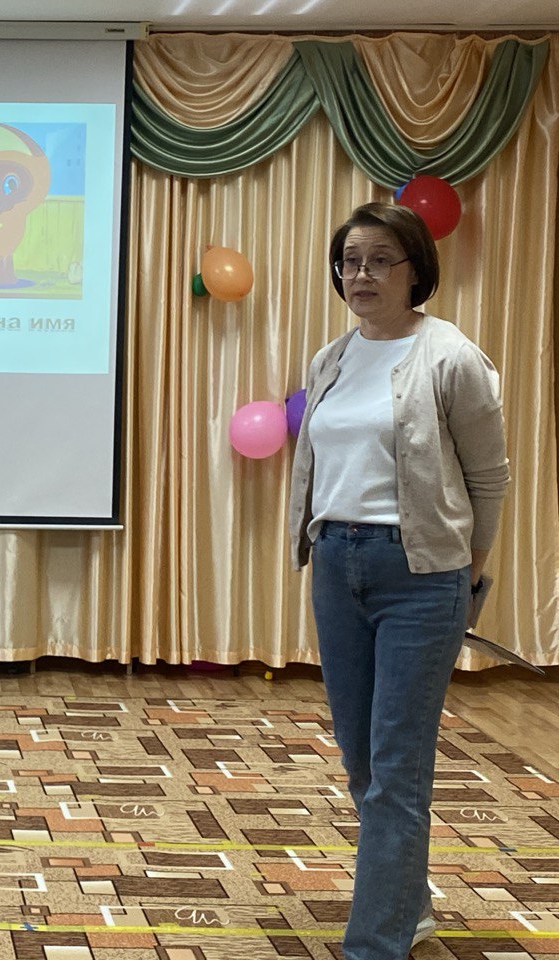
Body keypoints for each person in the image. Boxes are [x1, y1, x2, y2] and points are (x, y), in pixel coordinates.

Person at [288, 201, 509, 959]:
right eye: (350, 261)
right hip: (336, 564)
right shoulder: (331, 358)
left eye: (381, 260)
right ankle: (408, 907)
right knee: (361, 758)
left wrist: (467, 571)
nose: (362, 274)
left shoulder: (451, 357)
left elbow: (488, 477)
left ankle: (375, 944)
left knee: (397, 767)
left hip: (421, 576)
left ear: (417, 270)